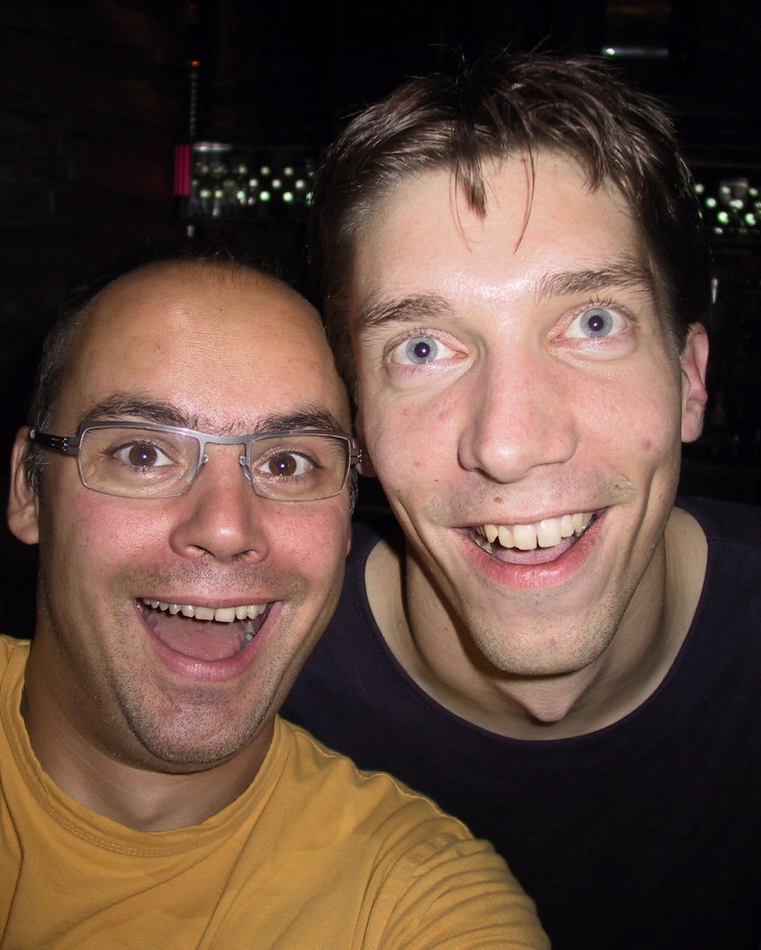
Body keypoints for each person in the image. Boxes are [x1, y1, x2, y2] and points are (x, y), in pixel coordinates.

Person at [284, 52, 761, 949]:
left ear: (691, 382)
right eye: (422, 349)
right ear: (356, 422)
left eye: (592, 323)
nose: (508, 444)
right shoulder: (248, 694)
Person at [0, 254, 548, 949]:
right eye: (143, 454)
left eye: (287, 463)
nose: (226, 528)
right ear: (28, 488)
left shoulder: (413, 901)